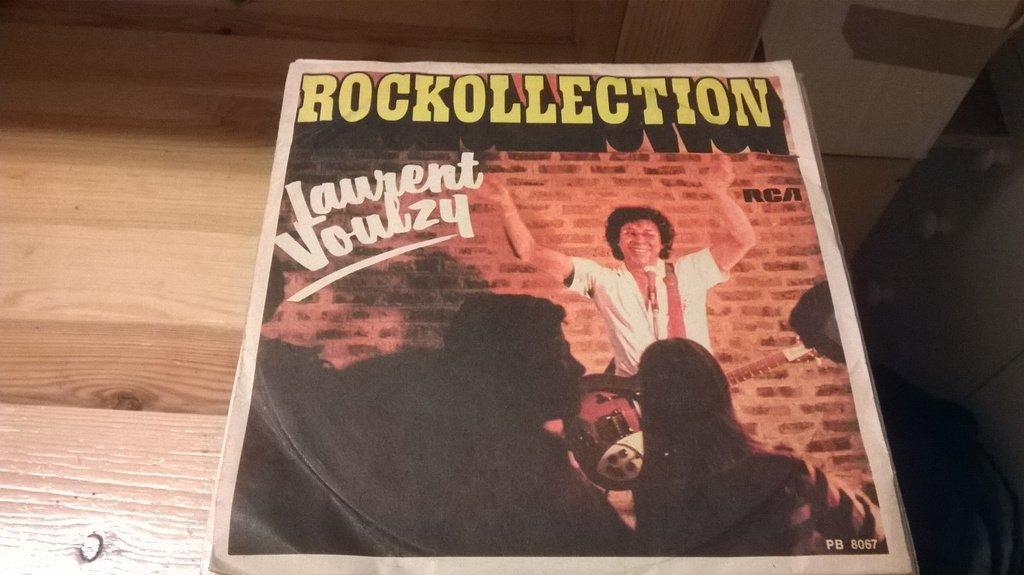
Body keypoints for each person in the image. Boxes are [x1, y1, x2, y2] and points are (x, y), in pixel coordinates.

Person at [230, 286, 635, 556]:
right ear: (514, 364)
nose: (578, 367)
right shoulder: (519, 462)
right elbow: (611, 551)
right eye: (560, 353)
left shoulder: (406, 389)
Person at [491, 156, 755, 376]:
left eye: (649, 234)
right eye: (629, 233)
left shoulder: (689, 271)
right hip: (634, 402)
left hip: (697, 389)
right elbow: (529, 251)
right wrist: (506, 206)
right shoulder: (603, 280)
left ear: (663, 242)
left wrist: (718, 192)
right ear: (617, 242)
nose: (639, 240)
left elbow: (744, 240)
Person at [632, 338, 887, 556]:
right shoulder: (782, 469)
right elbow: (873, 531)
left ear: (649, 407)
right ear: (721, 392)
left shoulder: (651, 491)